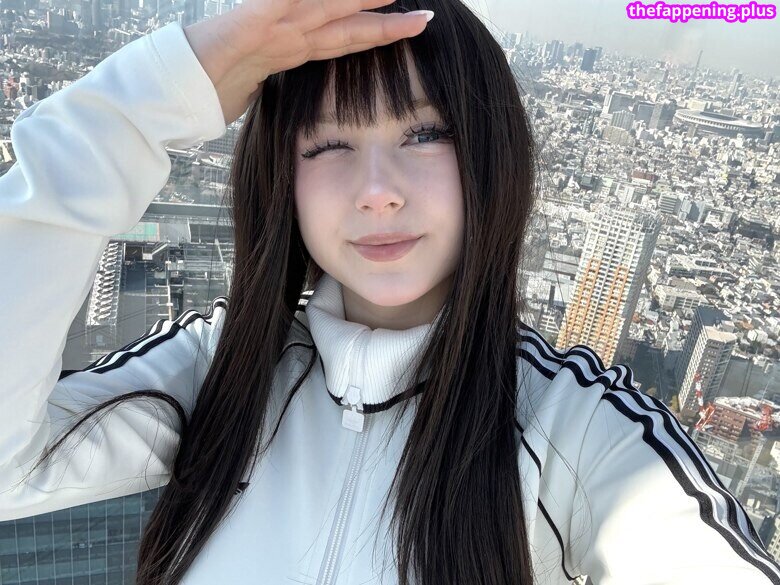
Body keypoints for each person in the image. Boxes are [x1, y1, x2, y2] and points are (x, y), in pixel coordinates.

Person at [0, 0, 778, 583]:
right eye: (329, 142)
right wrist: (155, 94)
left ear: (490, 152)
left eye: (425, 133)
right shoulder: (217, 370)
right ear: (282, 175)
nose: (378, 190)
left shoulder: (570, 426)